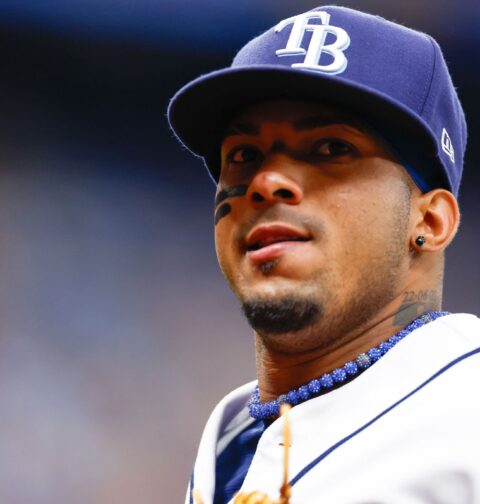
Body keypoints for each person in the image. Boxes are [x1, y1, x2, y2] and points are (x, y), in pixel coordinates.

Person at [168, 5, 480, 504]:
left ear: (430, 220)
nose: (267, 181)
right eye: (244, 155)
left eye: (332, 148)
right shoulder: (226, 445)